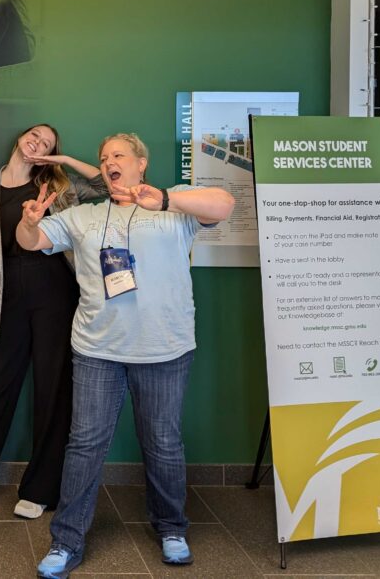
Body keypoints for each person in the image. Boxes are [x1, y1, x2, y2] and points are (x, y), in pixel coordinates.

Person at [18, 134, 234, 578]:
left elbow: (225, 204)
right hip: (98, 350)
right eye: (103, 157)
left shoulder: (175, 210)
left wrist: (168, 198)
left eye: (117, 155)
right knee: (84, 445)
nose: (108, 161)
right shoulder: (83, 216)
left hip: (164, 348)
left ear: (141, 163)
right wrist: (29, 220)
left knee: (164, 443)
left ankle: (172, 529)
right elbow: (31, 241)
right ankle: (67, 541)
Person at [0, 125, 106, 519]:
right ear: (20, 136)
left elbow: (109, 186)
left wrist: (64, 162)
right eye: (36, 135)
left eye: (50, 143)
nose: (39, 142)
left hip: (55, 289)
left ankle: (40, 490)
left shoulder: (57, 183)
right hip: (7, 293)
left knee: (52, 390)